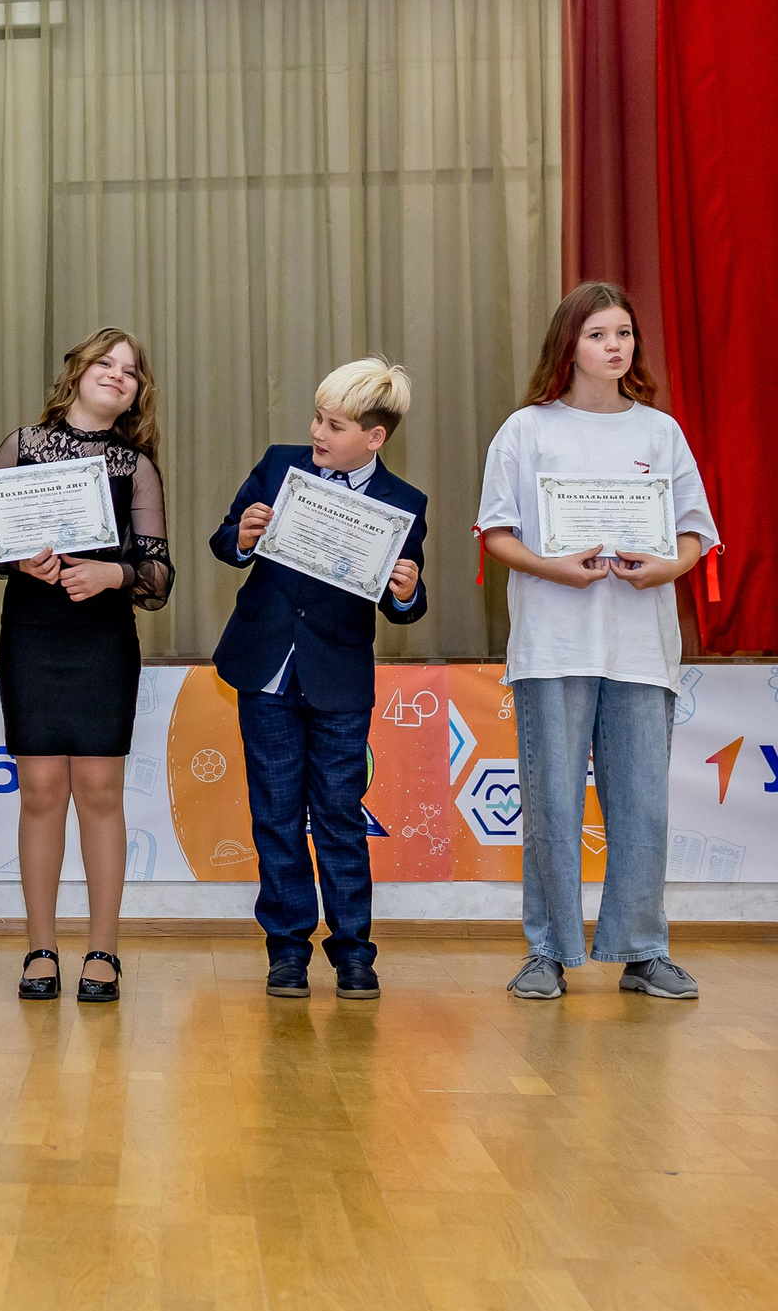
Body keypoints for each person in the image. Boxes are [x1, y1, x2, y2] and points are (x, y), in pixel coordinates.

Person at [478, 282, 719, 1001]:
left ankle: (644, 950)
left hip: (642, 647)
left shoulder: (659, 432)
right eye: (599, 335)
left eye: (624, 333)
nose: (616, 346)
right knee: (551, 800)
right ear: (569, 345)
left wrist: (667, 568)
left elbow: (694, 530)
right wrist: (555, 567)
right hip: (553, 645)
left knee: (642, 804)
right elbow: (496, 533)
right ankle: (548, 949)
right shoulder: (526, 429)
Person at [0, 328, 174, 1004]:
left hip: (102, 640)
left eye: (131, 370)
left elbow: (160, 574)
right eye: (105, 363)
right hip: (32, 633)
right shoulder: (21, 446)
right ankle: (41, 946)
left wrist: (112, 575)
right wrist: (17, 555)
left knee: (102, 796)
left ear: (138, 392)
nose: (118, 375)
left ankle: (105, 949)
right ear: (76, 373)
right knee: (40, 792)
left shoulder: (137, 467)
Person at [208, 358, 428, 1000]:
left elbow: (405, 604)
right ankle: (286, 952)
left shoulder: (403, 503)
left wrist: (407, 592)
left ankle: (355, 952)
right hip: (266, 667)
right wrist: (243, 537)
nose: (318, 432)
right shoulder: (280, 465)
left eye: (334, 425)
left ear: (374, 437)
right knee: (274, 813)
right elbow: (224, 540)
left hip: (338, 678)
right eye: (317, 418)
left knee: (338, 815)